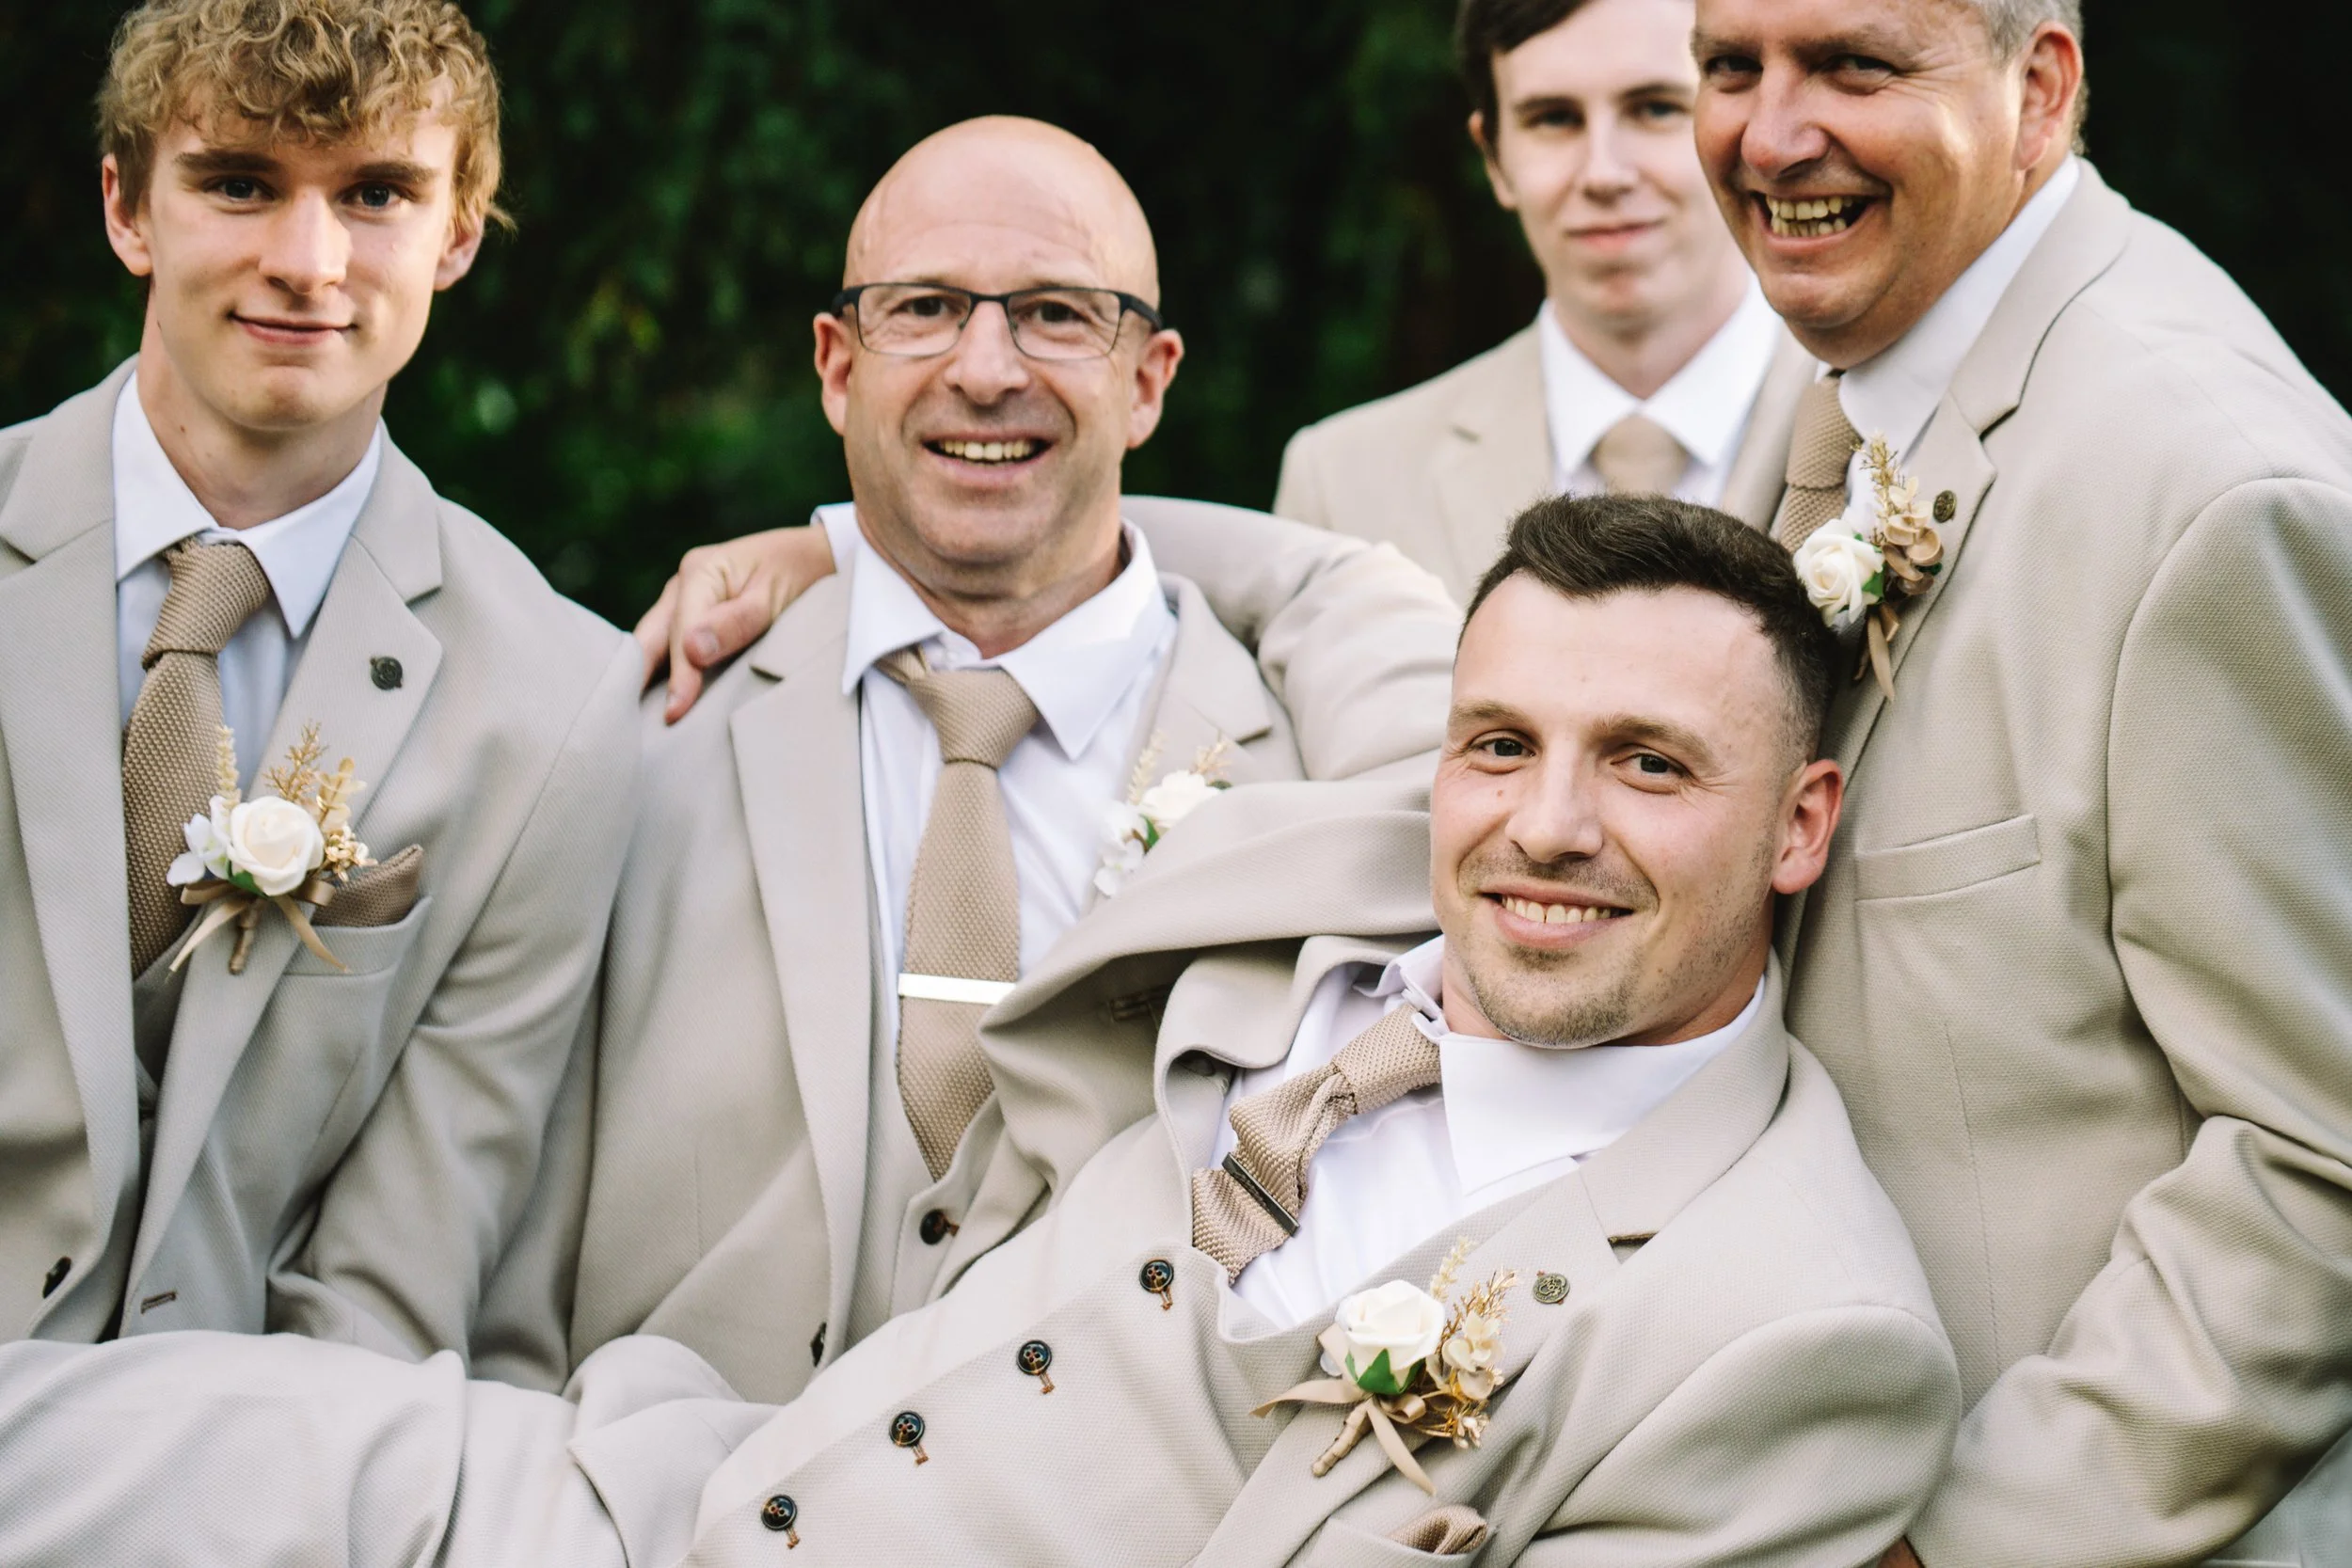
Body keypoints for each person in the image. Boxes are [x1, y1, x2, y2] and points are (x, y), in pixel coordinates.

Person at [0, 496, 1962, 1568]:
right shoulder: (1377, 852)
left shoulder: (1797, 1331)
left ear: (1801, 823)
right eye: (1500, 742)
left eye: (1649, 764)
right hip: (646, 1489)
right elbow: (1309, 571)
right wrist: (852, 542)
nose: (1544, 822)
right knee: (74, 1439)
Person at [486, 117, 1464, 1400]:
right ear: (836, 367)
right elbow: (488, 1227)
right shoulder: (633, 732)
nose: (986, 368)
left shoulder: (1314, 772)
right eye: (925, 308)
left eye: (1057, 313)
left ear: (1149, 380)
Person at [1689, 0, 2352, 1561]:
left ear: (2040, 89)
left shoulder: (2212, 493)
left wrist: (1962, 1543)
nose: (1770, 136)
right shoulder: (1859, 377)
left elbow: (2323, 1157)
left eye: (1853, 65)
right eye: (1730, 69)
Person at [0, 0, 636, 1360]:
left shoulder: (561, 704)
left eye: (376, 194)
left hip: (263, 1443)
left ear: (458, 234)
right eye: (239, 183)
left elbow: (401, 1267)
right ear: (127, 208)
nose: (306, 262)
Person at [1271, 0, 1817, 599]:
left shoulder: (1879, 428)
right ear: (1494, 158)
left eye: (1656, 108)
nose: (1604, 174)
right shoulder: (1342, 485)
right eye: (1554, 119)